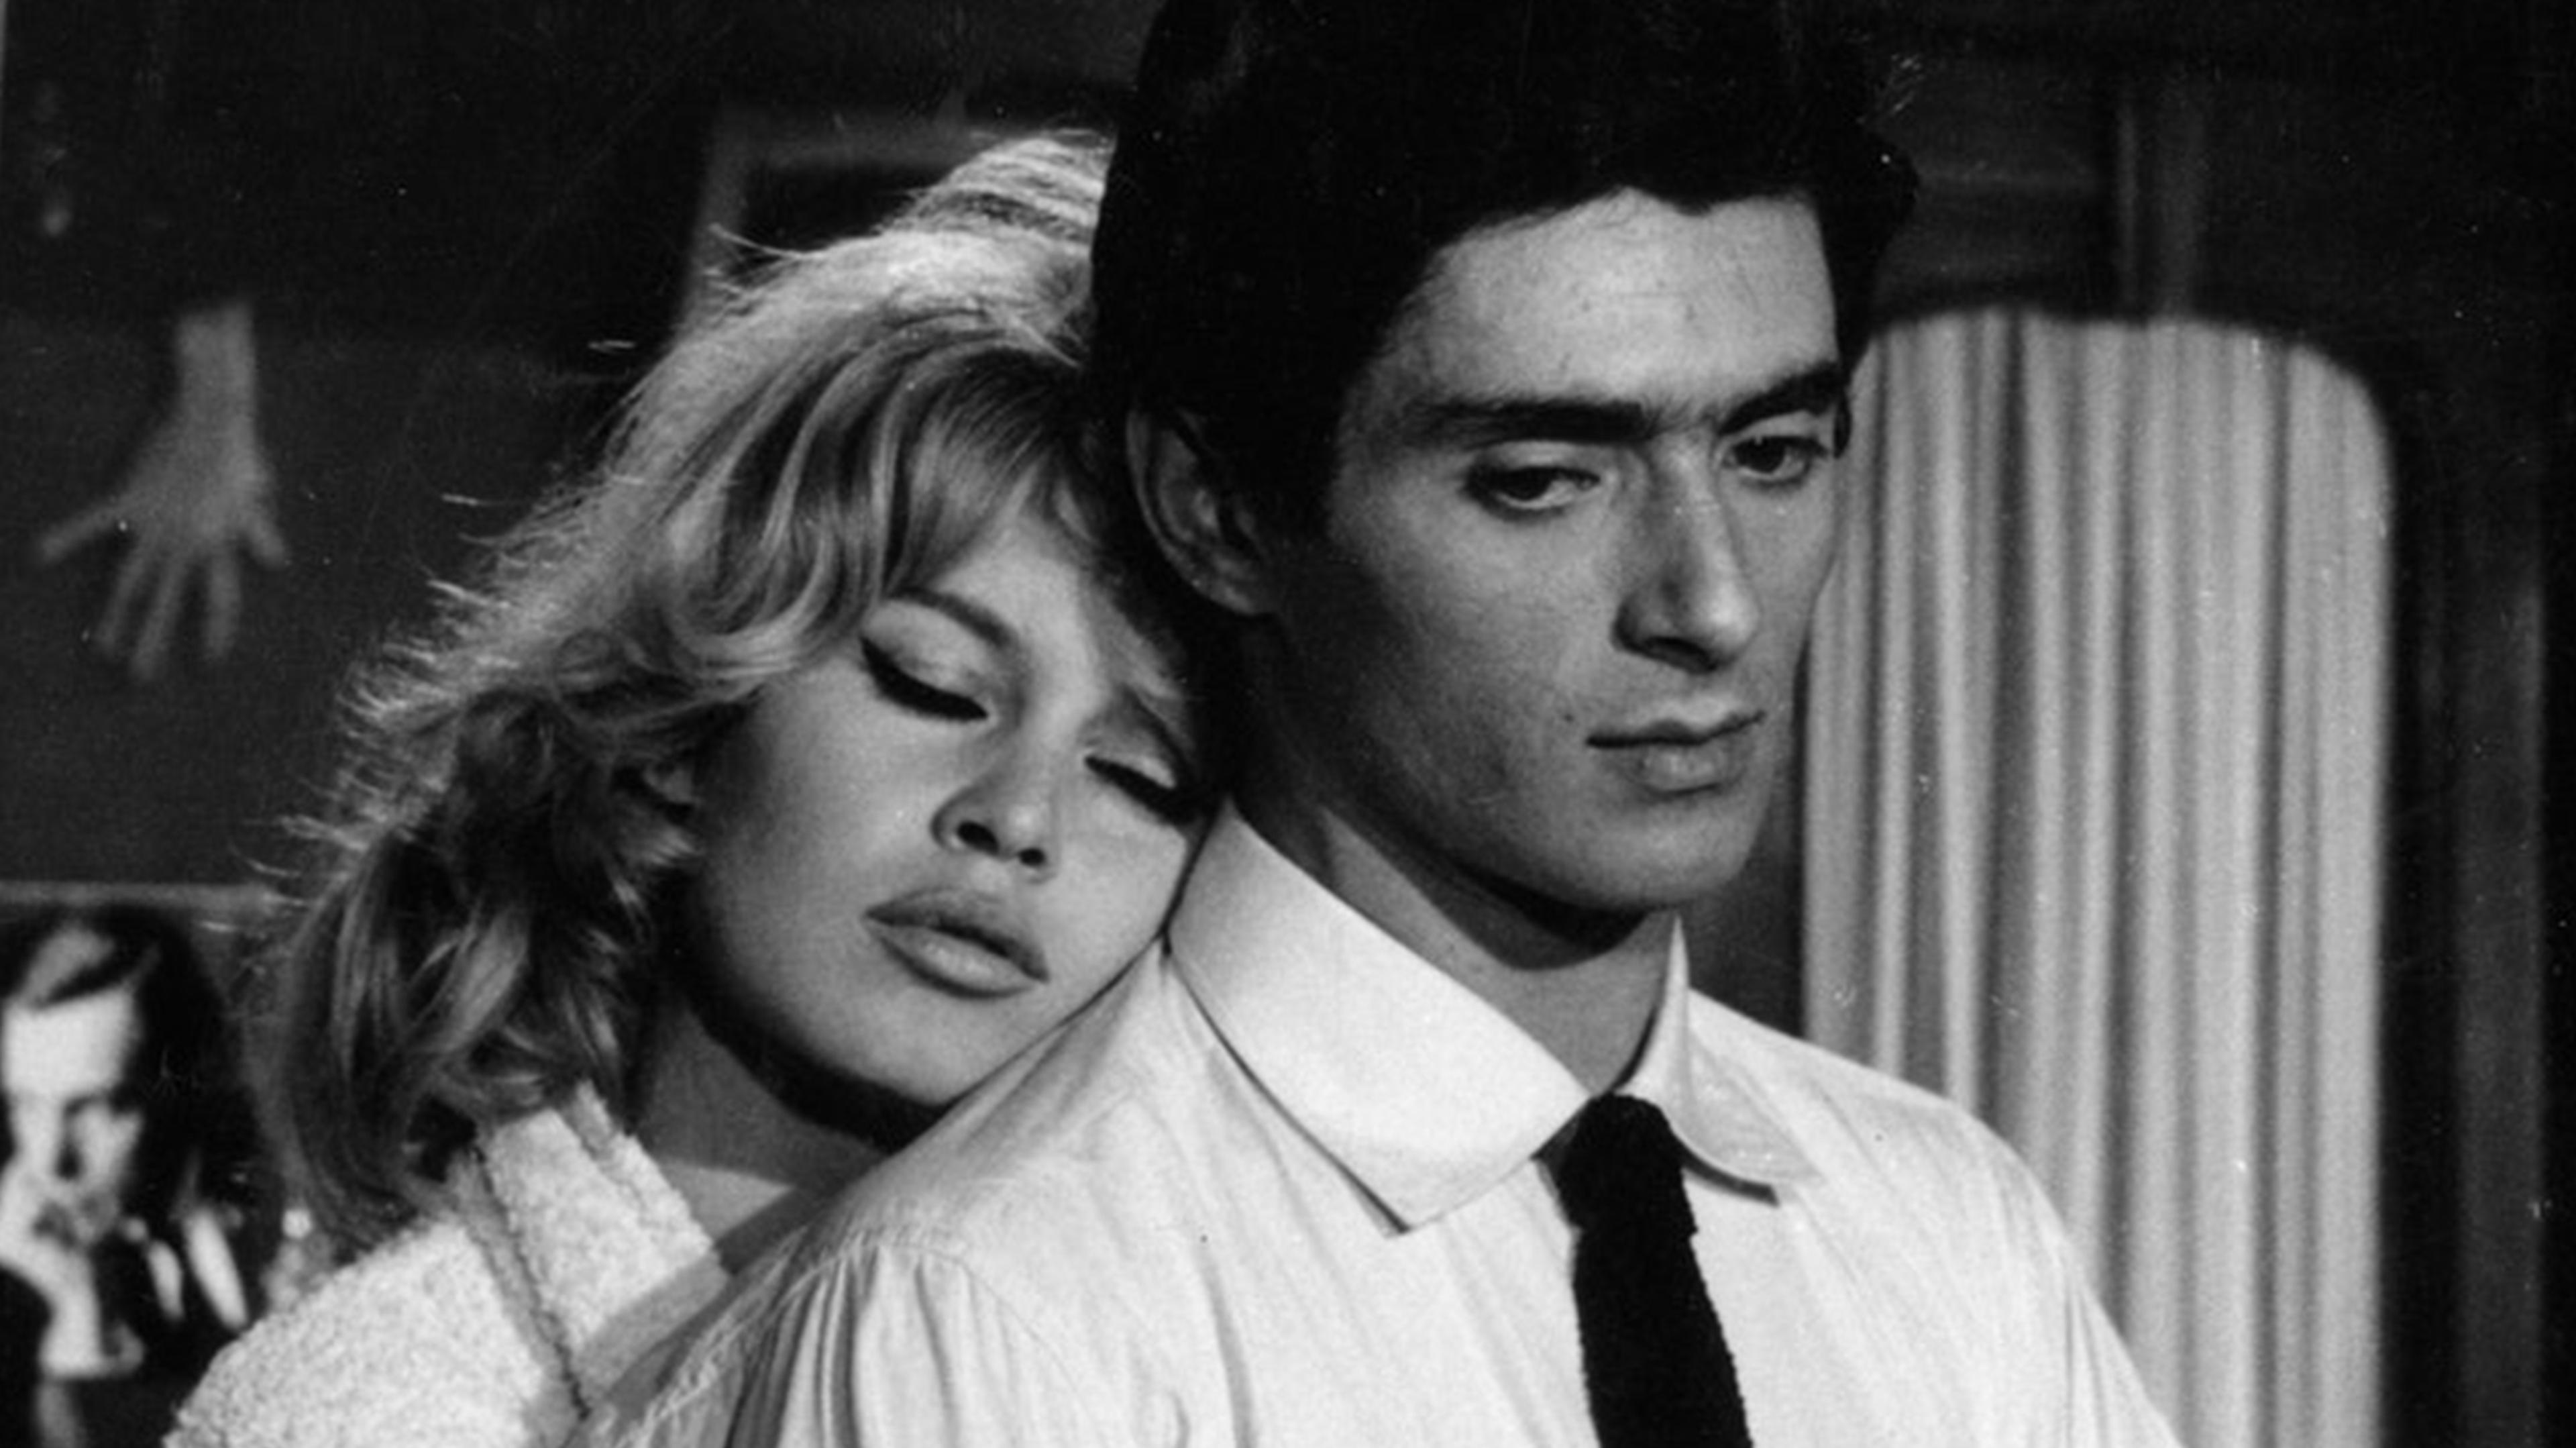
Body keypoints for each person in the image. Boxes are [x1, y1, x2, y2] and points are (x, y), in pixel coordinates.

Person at [584, 1, 2180, 1444]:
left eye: (1773, 451)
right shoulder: (994, 1312)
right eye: (1542, 480)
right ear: (1214, 509)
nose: (1711, 604)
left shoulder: (1953, 1233)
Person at [164, 131, 1212, 1448]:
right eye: (934, 684)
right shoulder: (368, 1416)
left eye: (1140, 773)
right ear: (684, 721)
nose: (1017, 816)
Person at [0, 903, 268, 1448]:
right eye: (26, 1104)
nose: (53, 1161)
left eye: (98, 1107)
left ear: (182, 1088)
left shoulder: (278, 1221)